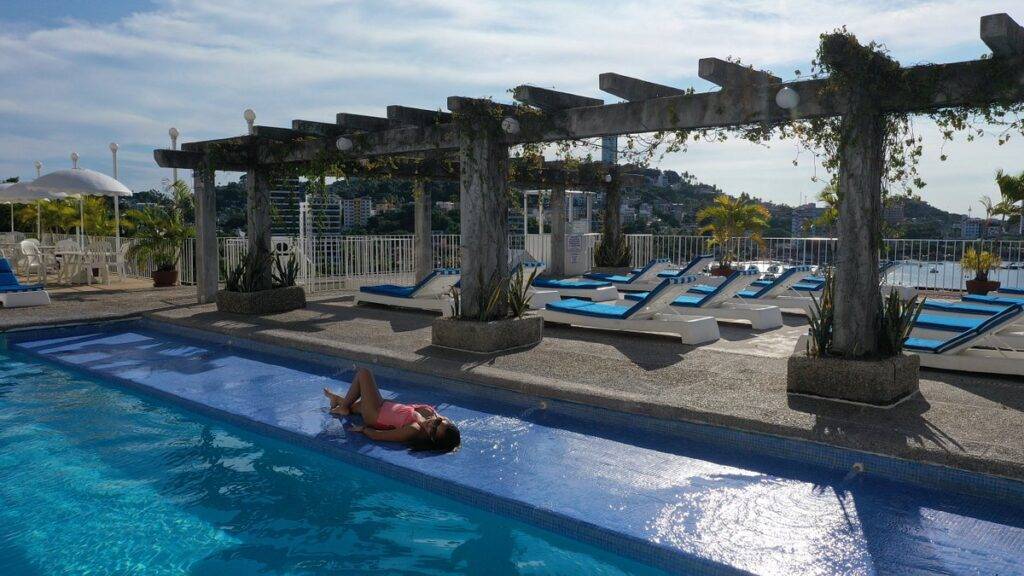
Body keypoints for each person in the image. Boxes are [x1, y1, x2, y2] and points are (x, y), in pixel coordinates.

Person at [323, 367, 461, 453]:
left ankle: (343, 408)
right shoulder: (433, 418)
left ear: (431, 439)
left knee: (364, 373)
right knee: (357, 402)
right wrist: (442, 422)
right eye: (438, 422)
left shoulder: (414, 429)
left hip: (375, 414)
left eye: (434, 430)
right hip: (384, 407)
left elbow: (378, 436)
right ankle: (337, 400)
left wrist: (363, 429)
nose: (432, 424)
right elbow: (443, 425)